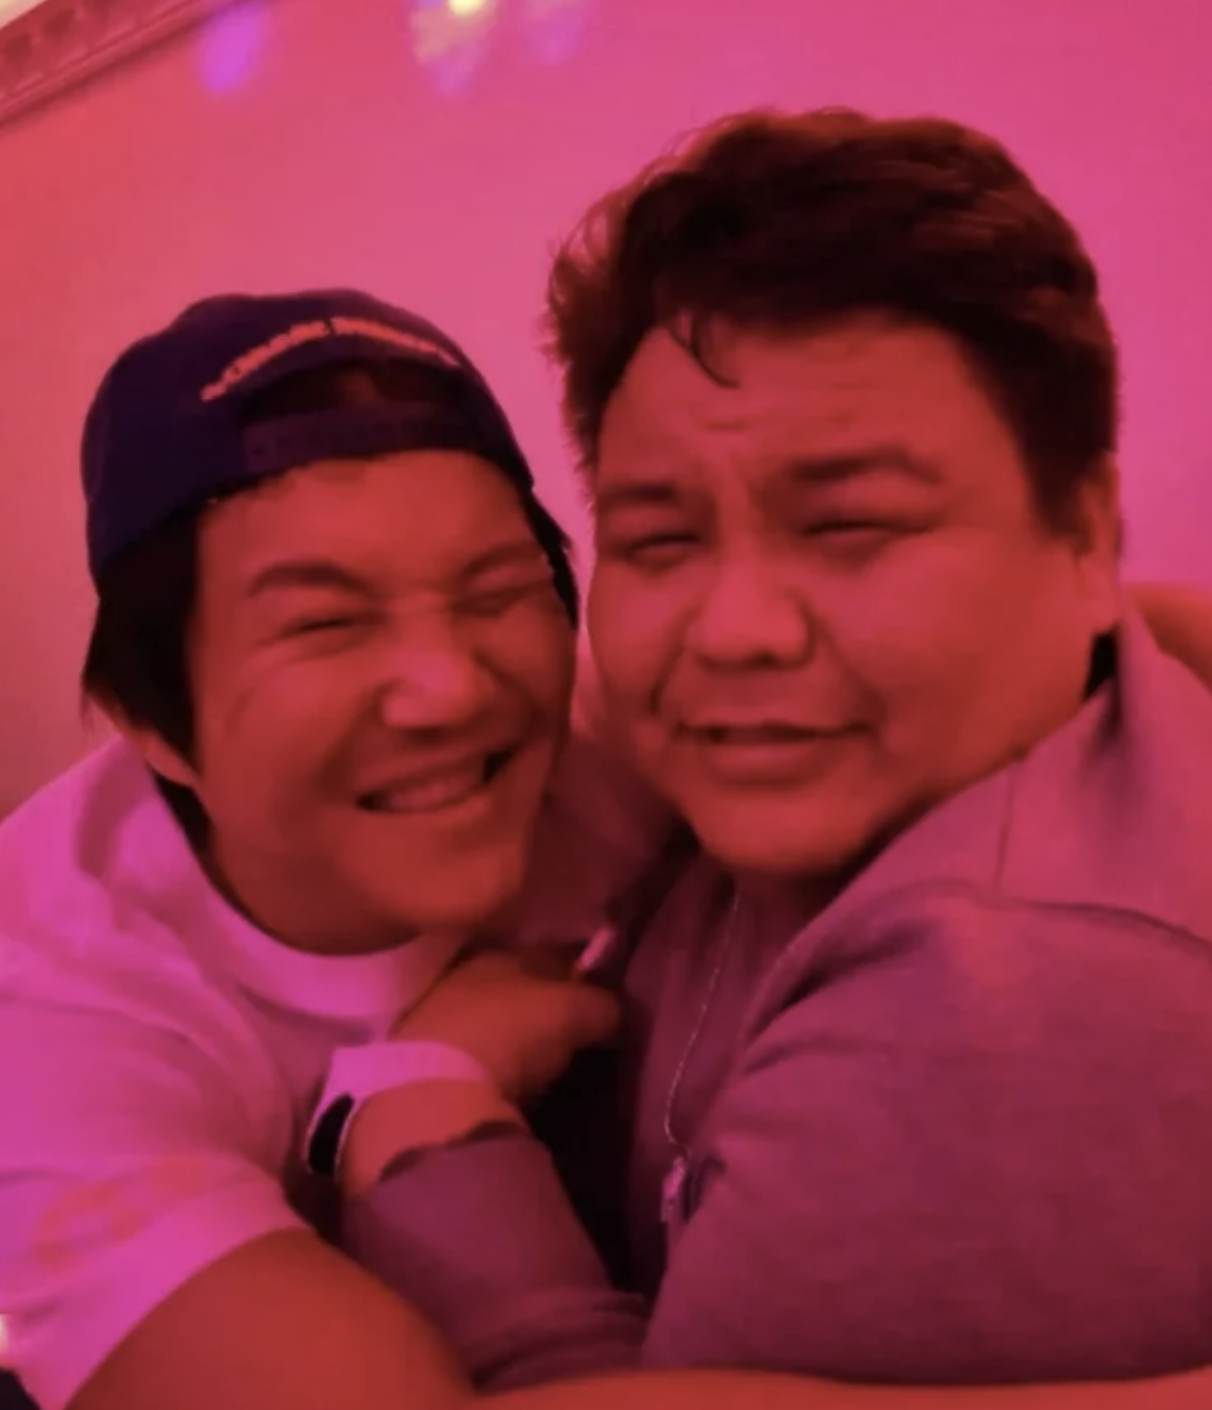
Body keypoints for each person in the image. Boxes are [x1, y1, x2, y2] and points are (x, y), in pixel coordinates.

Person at [0, 278, 1207, 1410]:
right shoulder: (50, 1031)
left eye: (493, 592)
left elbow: (1061, 633)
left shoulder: (615, 731)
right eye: (326, 624)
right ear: (150, 727)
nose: (449, 689)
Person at [288, 110, 1212, 1409]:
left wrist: (419, 1107)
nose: (733, 629)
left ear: (1086, 535)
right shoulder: (898, 751)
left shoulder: (1000, 1009)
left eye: (851, 526)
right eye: (659, 541)